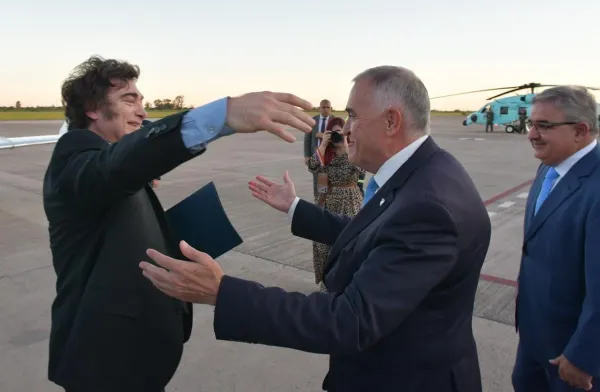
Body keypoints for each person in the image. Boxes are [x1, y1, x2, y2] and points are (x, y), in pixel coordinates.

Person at [140, 65, 491, 392]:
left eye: (353, 115)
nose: (346, 128)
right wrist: (295, 208)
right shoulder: (423, 172)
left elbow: (350, 321)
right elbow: (374, 236)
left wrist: (223, 292)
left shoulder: (428, 207)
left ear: (391, 121)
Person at [42, 55, 314, 392]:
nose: (143, 111)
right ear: (93, 109)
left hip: (133, 359)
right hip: (105, 366)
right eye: (129, 99)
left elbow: (121, 182)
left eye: (141, 100)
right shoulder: (75, 157)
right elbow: (113, 169)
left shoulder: (108, 162)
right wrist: (222, 115)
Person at [512, 85, 600, 392]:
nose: (531, 134)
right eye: (531, 124)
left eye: (544, 126)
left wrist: (584, 355)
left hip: (572, 355)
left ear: (580, 131)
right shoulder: (549, 166)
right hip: (535, 339)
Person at [307, 116, 364, 291]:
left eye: (341, 132)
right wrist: (323, 145)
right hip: (328, 201)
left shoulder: (354, 151)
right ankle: (327, 283)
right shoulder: (326, 154)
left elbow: (361, 169)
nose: (338, 137)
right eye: (334, 133)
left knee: (349, 244)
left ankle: (348, 284)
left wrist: (346, 146)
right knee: (324, 246)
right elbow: (312, 167)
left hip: (350, 202)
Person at [304, 99, 333, 197]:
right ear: (319, 108)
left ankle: (328, 203)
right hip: (316, 156)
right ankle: (319, 203)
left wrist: (322, 135)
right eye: (323, 107)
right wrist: (307, 155)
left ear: (331, 109)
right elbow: (307, 139)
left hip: (330, 156)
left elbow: (340, 138)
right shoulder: (313, 121)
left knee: (330, 181)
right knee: (318, 180)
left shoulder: (335, 121)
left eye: (328, 107)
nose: (326, 110)